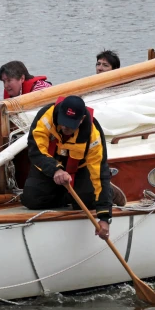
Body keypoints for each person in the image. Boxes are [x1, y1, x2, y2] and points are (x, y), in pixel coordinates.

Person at [22, 95, 114, 240]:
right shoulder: (46, 116)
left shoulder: (93, 133)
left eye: (71, 125)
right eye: (64, 122)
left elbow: (99, 172)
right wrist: (55, 169)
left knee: (86, 204)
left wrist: (104, 217)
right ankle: (66, 195)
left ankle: (109, 193)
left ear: (82, 119)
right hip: (50, 164)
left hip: (80, 168)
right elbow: (36, 150)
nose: (66, 128)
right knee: (31, 199)